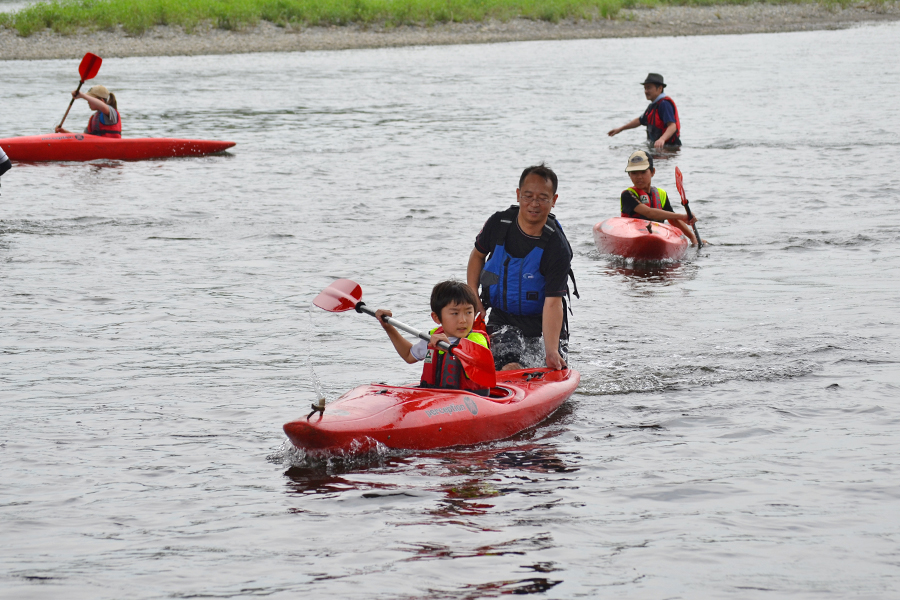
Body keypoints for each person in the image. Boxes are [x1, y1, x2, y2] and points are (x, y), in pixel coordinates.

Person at [467, 164, 577, 372]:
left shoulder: (557, 247)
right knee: (509, 366)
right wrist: (473, 296)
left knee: (549, 365)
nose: (534, 203)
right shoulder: (498, 224)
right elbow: (477, 256)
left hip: (544, 320)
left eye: (543, 198)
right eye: (528, 196)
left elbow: (553, 303)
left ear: (554, 201)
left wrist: (551, 351)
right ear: (518, 195)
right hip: (503, 316)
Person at [375, 280, 492, 394]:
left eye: (468, 312)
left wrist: (449, 349)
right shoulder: (433, 337)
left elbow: (480, 365)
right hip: (434, 399)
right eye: (455, 313)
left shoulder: (477, 339)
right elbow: (408, 355)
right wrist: (388, 327)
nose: (463, 320)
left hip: (470, 400)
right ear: (436, 318)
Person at [620, 150, 700, 245]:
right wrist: (682, 216)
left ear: (653, 172)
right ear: (629, 175)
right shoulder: (627, 194)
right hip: (634, 236)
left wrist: (692, 238)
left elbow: (673, 220)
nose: (639, 177)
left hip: (656, 235)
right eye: (634, 173)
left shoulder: (661, 194)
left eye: (643, 172)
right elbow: (649, 213)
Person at [608, 73, 681, 149]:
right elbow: (640, 120)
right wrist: (620, 129)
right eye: (645, 88)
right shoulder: (653, 105)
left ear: (660, 88)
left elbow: (672, 126)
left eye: (649, 88)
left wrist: (662, 139)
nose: (646, 91)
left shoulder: (664, 104)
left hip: (669, 149)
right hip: (659, 148)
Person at [55, 85, 121, 138]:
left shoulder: (111, 113)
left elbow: (103, 106)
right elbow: (82, 137)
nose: (88, 101)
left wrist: (83, 95)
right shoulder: (94, 118)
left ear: (101, 100)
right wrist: (64, 132)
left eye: (90, 99)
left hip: (110, 147)